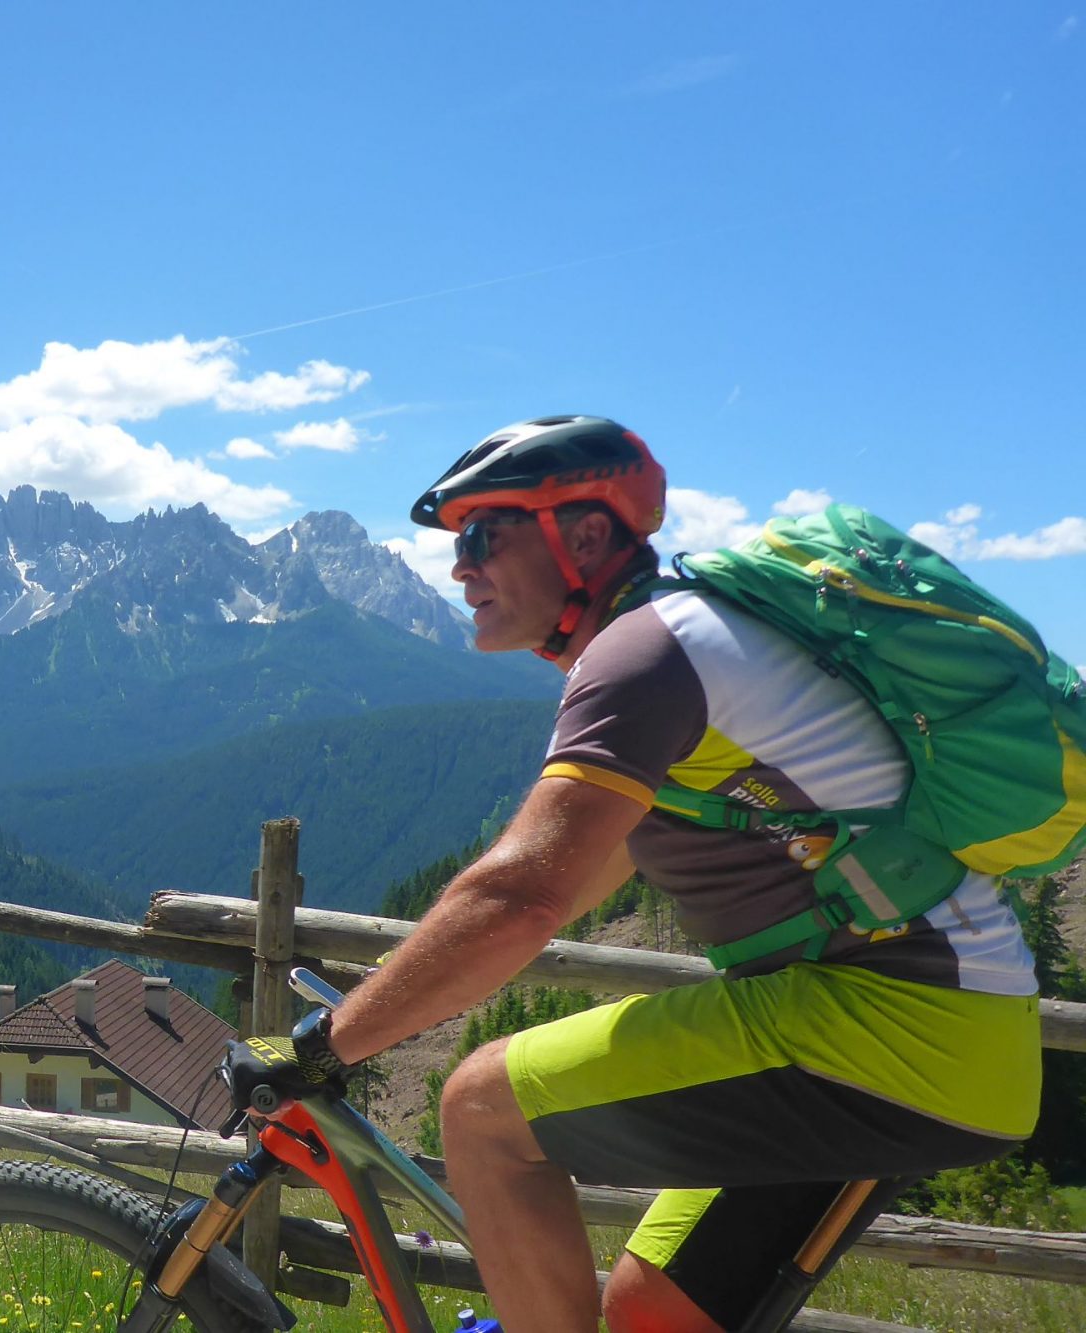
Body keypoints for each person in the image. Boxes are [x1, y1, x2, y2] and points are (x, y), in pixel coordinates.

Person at [247, 416, 1042, 1332]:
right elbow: (569, 885)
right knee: (649, 1314)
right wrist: (395, 1000)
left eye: (480, 536)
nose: (458, 568)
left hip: (887, 1019)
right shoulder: (688, 641)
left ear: (584, 535)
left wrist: (323, 1043)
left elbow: (520, 897)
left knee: (477, 1111)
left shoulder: (646, 652)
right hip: (955, 1034)